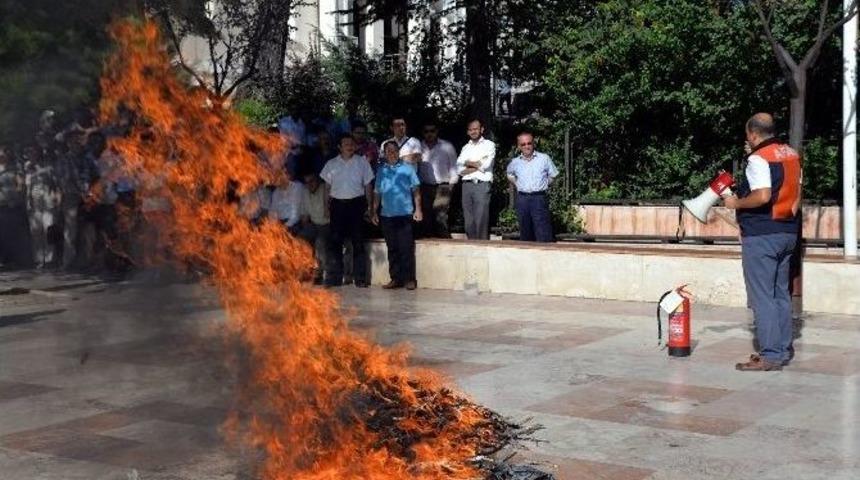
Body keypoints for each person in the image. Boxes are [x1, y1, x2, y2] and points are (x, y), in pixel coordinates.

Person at [724, 113, 801, 372]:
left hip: (762, 235)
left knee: (762, 297)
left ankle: (769, 355)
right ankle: (782, 348)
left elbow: (762, 195)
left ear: (753, 134)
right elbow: (797, 198)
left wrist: (736, 203)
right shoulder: (791, 154)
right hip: (788, 232)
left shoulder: (758, 158)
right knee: (781, 293)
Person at [319, 134, 374, 287]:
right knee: (335, 242)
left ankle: (360, 279)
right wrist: (326, 207)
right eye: (346, 144)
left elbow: (368, 186)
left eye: (352, 144)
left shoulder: (362, 163)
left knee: (358, 242)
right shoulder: (331, 164)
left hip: (357, 205)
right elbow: (326, 188)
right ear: (339, 147)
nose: (350, 146)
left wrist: (369, 207)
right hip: (337, 205)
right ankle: (334, 278)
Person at [371, 141, 422, 290]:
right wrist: (373, 211)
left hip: (405, 214)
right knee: (392, 248)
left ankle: (409, 280)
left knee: (406, 248)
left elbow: (416, 190)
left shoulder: (408, 169)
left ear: (399, 152)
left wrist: (418, 209)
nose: (391, 153)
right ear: (384, 153)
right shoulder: (381, 171)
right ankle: (395, 279)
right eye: (388, 151)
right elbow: (377, 192)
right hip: (387, 215)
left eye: (394, 151)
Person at [506, 132, 559, 242]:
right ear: (519, 146)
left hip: (539, 198)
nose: (526, 146)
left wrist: (544, 184)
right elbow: (509, 174)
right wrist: (517, 184)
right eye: (523, 144)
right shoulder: (515, 162)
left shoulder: (544, 158)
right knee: (525, 230)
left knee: (542, 230)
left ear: (533, 143)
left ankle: (544, 256)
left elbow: (553, 175)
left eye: (529, 143)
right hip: (522, 199)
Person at [456, 119, 496, 240]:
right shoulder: (465, 147)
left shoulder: (489, 145)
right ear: (468, 132)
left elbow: (486, 165)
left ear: (481, 130)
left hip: (481, 185)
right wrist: (476, 164)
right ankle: (471, 247)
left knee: (481, 220)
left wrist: (467, 163)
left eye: (476, 129)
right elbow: (459, 169)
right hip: (466, 185)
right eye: (470, 129)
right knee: (468, 222)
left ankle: (482, 248)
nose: (473, 131)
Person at [418, 122, 458, 238]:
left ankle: (445, 242)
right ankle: (429, 244)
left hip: (443, 186)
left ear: (437, 131)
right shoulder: (419, 147)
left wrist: (452, 185)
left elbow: (454, 166)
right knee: (426, 217)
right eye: (426, 131)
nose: (429, 134)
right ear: (423, 133)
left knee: (440, 216)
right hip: (425, 186)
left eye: (432, 131)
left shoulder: (447, 146)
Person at [298, 171, 330, 285]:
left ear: (317, 181)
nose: (309, 184)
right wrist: (304, 229)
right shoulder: (305, 192)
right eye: (306, 182)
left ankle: (319, 274)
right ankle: (305, 271)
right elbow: (304, 214)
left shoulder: (325, 189)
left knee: (320, 242)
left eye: (311, 181)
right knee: (302, 239)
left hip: (327, 224)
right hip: (314, 224)